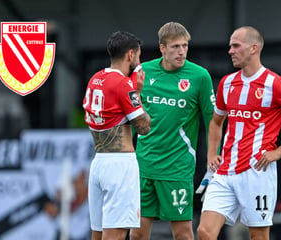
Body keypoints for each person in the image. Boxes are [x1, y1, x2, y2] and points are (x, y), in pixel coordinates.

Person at [197, 26, 281, 240]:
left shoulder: (275, 84)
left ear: (253, 48)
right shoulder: (226, 83)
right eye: (229, 46)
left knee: (258, 236)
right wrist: (210, 155)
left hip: (256, 172)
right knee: (205, 231)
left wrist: (278, 152)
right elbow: (216, 122)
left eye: (236, 46)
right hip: (225, 171)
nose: (230, 51)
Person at [130, 22, 216, 240]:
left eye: (185, 46)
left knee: (183, 234)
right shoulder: (143, 72)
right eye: (175, 47)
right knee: (138, 233)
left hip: (177, 167)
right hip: (144, 164)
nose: (181, 52)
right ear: (162, 48)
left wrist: (213, 157)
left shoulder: (200, 76)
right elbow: (130, 112)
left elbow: (214, 120)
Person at [83, 31, 151, 240]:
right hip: (120, 166)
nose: (139, 63)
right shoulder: (124, 85)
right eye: (138, 57)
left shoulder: (96, 79)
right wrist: (137, 93)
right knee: (117, 235)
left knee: (98, 233)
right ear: (130, 55)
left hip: (99, 163)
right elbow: (143, 127)